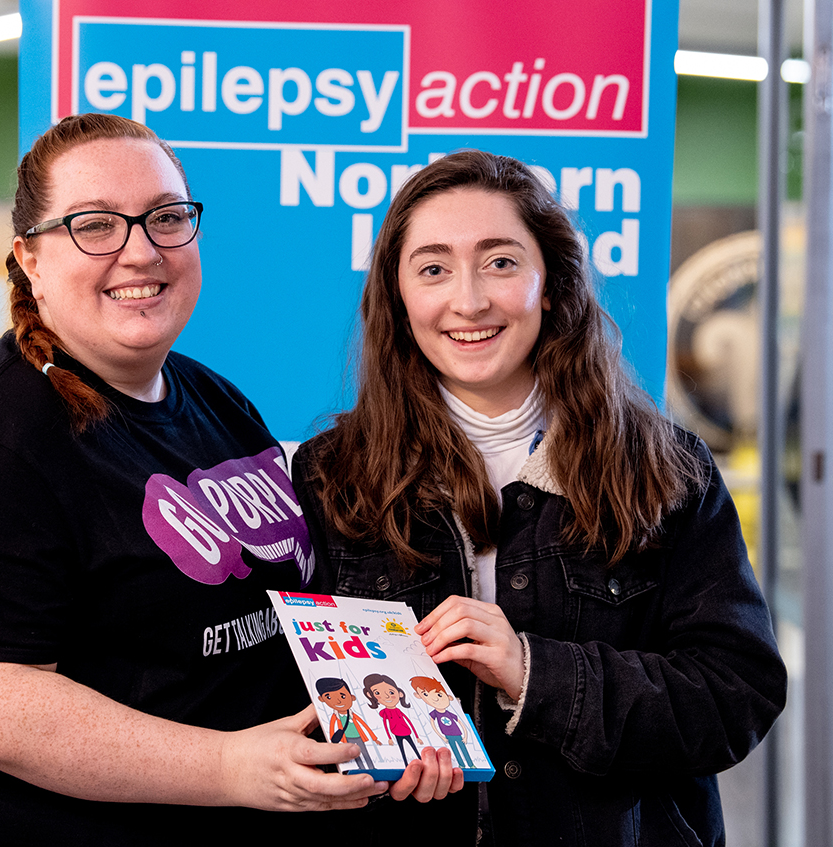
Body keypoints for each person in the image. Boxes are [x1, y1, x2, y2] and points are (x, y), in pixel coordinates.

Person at [0, 113, 459, 846]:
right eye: (95, 225)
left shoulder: (216, 402)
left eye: (165, 217)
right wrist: (230, 766)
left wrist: (384, 722)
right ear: (30, 256)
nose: (140, 250)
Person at [292, 150, 788, 845]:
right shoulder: (330, 474)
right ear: (399, 299)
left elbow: (737, 694)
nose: (468, 300)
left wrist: (534, 672)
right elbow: (290, 700)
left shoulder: (665, 469)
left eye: (500, 262)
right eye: (433, 268)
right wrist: (365, 763)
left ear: (551, 283)